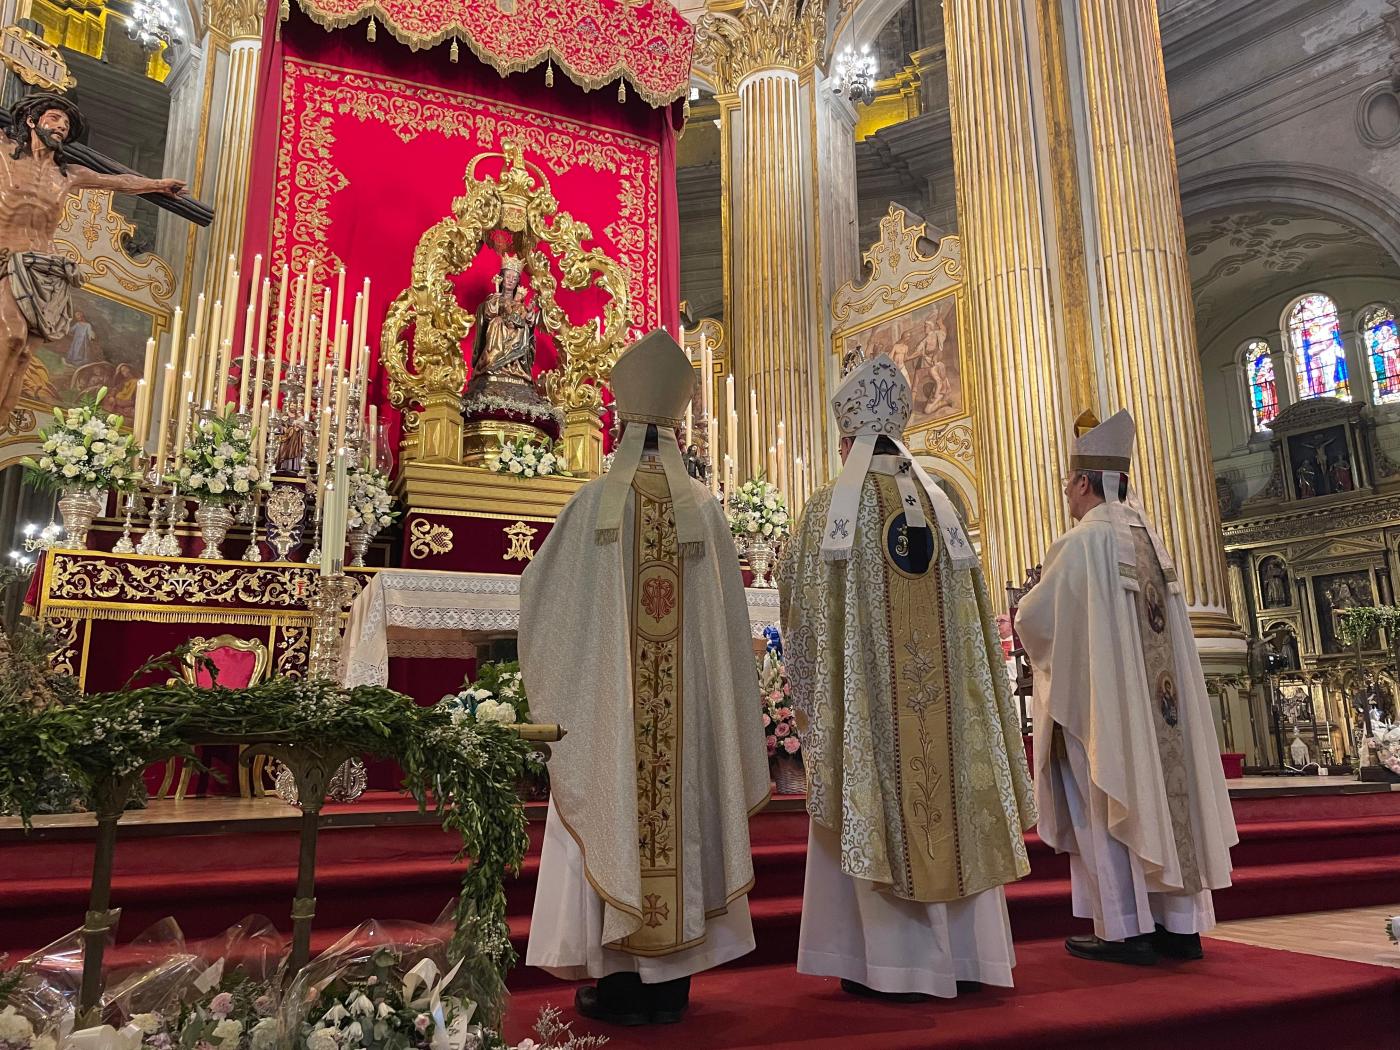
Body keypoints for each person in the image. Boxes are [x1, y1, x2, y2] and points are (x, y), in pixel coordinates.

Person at [520, 329, 769, 1025]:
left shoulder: (592, 506)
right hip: (684, 728)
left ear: (621, 423)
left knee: (616, 799)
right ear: (677, 428)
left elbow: (542, 600)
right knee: (680, 807)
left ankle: (620, 982)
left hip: (616, 719)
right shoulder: (707, 513)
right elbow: (724, 634)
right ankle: (672, 982)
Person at [777, 353, 1036, 1000]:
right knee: (949, 787)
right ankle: (968, 957)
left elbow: (801, 619)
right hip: (949, 721)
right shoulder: (945, 509)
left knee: (878, 782)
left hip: (873, 721)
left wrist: (816, 707)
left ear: (847, 442)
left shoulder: (829, 511)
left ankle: (890, 965)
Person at [1015, 410, 1238, 966]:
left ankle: (1124, 929)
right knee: (1165, 798)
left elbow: (1035, 621)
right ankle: (1180, 927)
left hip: (1107, 709)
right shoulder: (1152, 542)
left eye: (1068, 483)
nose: (1067, 493)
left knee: (1105, 799)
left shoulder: (1080, 544)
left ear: (1084, 483)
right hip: (1161, 709)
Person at [0, 92, 185, 417]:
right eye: (54, 118)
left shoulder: (68, 175)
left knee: (25, 354)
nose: (61, 126)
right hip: (6, 259)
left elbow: (117, 181)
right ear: (31, 121)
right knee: (11, 336)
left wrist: (157, 185)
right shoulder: (5, 154)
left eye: (66, 123)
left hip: (45, 271)